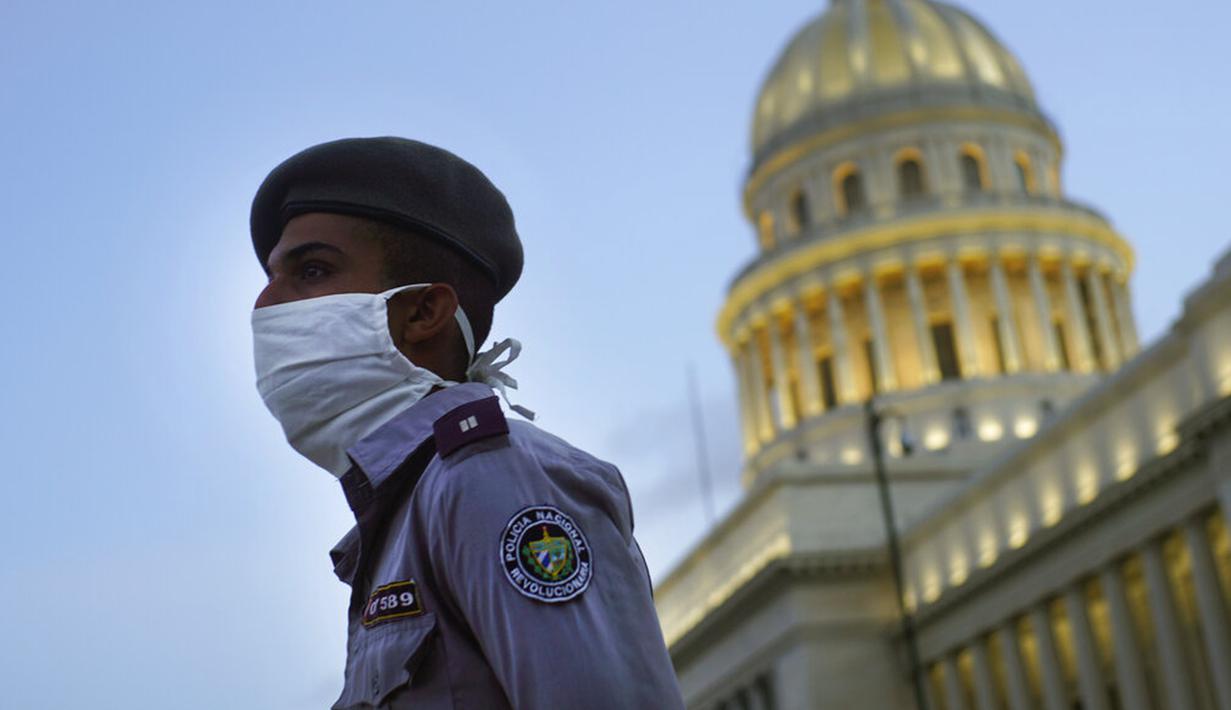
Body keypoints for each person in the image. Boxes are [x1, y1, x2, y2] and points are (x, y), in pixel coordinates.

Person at [248, 137, 686, 709]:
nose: (266, 304)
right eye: (272, 276)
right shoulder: (403, 513)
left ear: (424, 311)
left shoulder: (487, 480)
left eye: (311, 270)